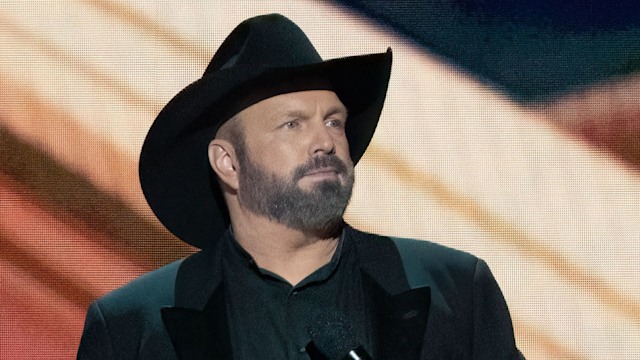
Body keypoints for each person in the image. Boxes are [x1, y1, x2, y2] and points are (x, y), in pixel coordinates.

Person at [77, 13, 524, 360]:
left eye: (334, 121)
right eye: (292, 125)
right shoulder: (131, 330)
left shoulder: (458, 292)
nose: (325, 141)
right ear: (228, 162)